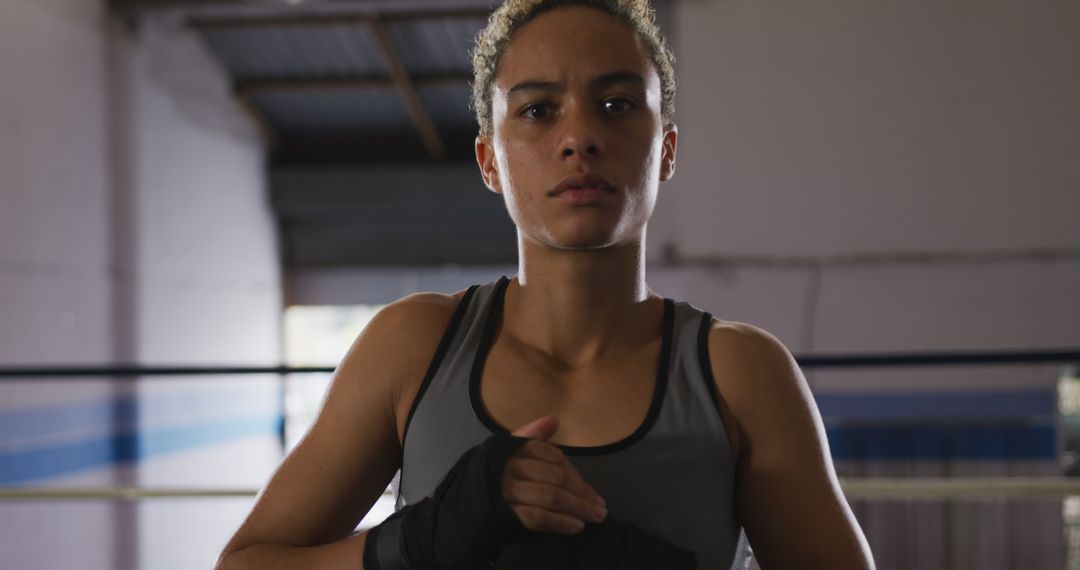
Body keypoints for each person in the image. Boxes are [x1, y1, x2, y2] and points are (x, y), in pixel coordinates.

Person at [216, 1, 875, 568]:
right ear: (489, 161)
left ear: (666, 148)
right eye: (537, 110)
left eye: (617, 105)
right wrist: (418, 543)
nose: (580, 137)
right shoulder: (413, 347)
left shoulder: (741, 374)